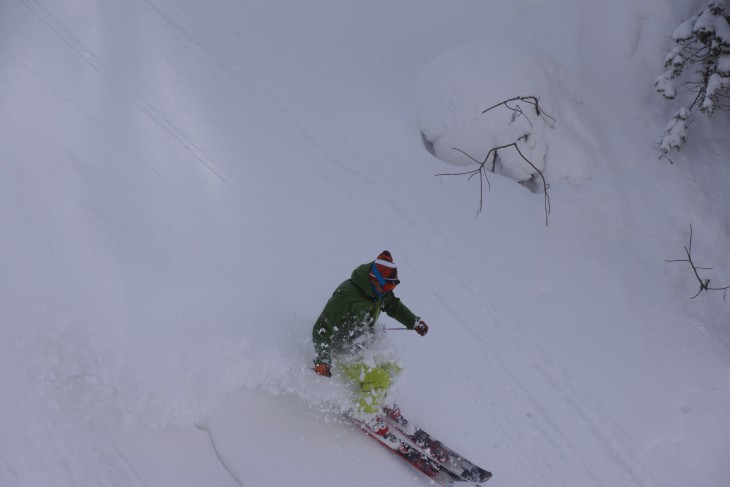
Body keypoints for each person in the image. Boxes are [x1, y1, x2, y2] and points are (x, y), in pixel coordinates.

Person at [312, 250, 428, 435]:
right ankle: (364, 413)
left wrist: (413, 321)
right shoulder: (346, 295)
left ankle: (381, 399)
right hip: (342, 351)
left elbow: (393, 306)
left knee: (393, 368)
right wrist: (323, 360)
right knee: (378, 378)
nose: (389, 292)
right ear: (375, 280)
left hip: (362, 343)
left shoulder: (379, 292)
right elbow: (322, 327)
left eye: (392, 288)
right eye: (387, 288)